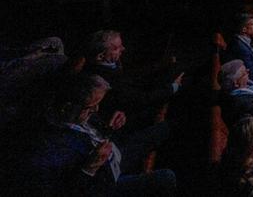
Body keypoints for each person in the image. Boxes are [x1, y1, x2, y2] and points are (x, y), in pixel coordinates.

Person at [22, 74, 176, 195]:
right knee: (167, 177)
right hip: (104, 182)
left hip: (115, 154)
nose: (96, 110)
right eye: (91, 107)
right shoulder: (48, 147)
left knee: (165, 128)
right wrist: (89, 168)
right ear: (67, 107)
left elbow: (98, 134)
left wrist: (113, 124)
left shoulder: (78, 114)